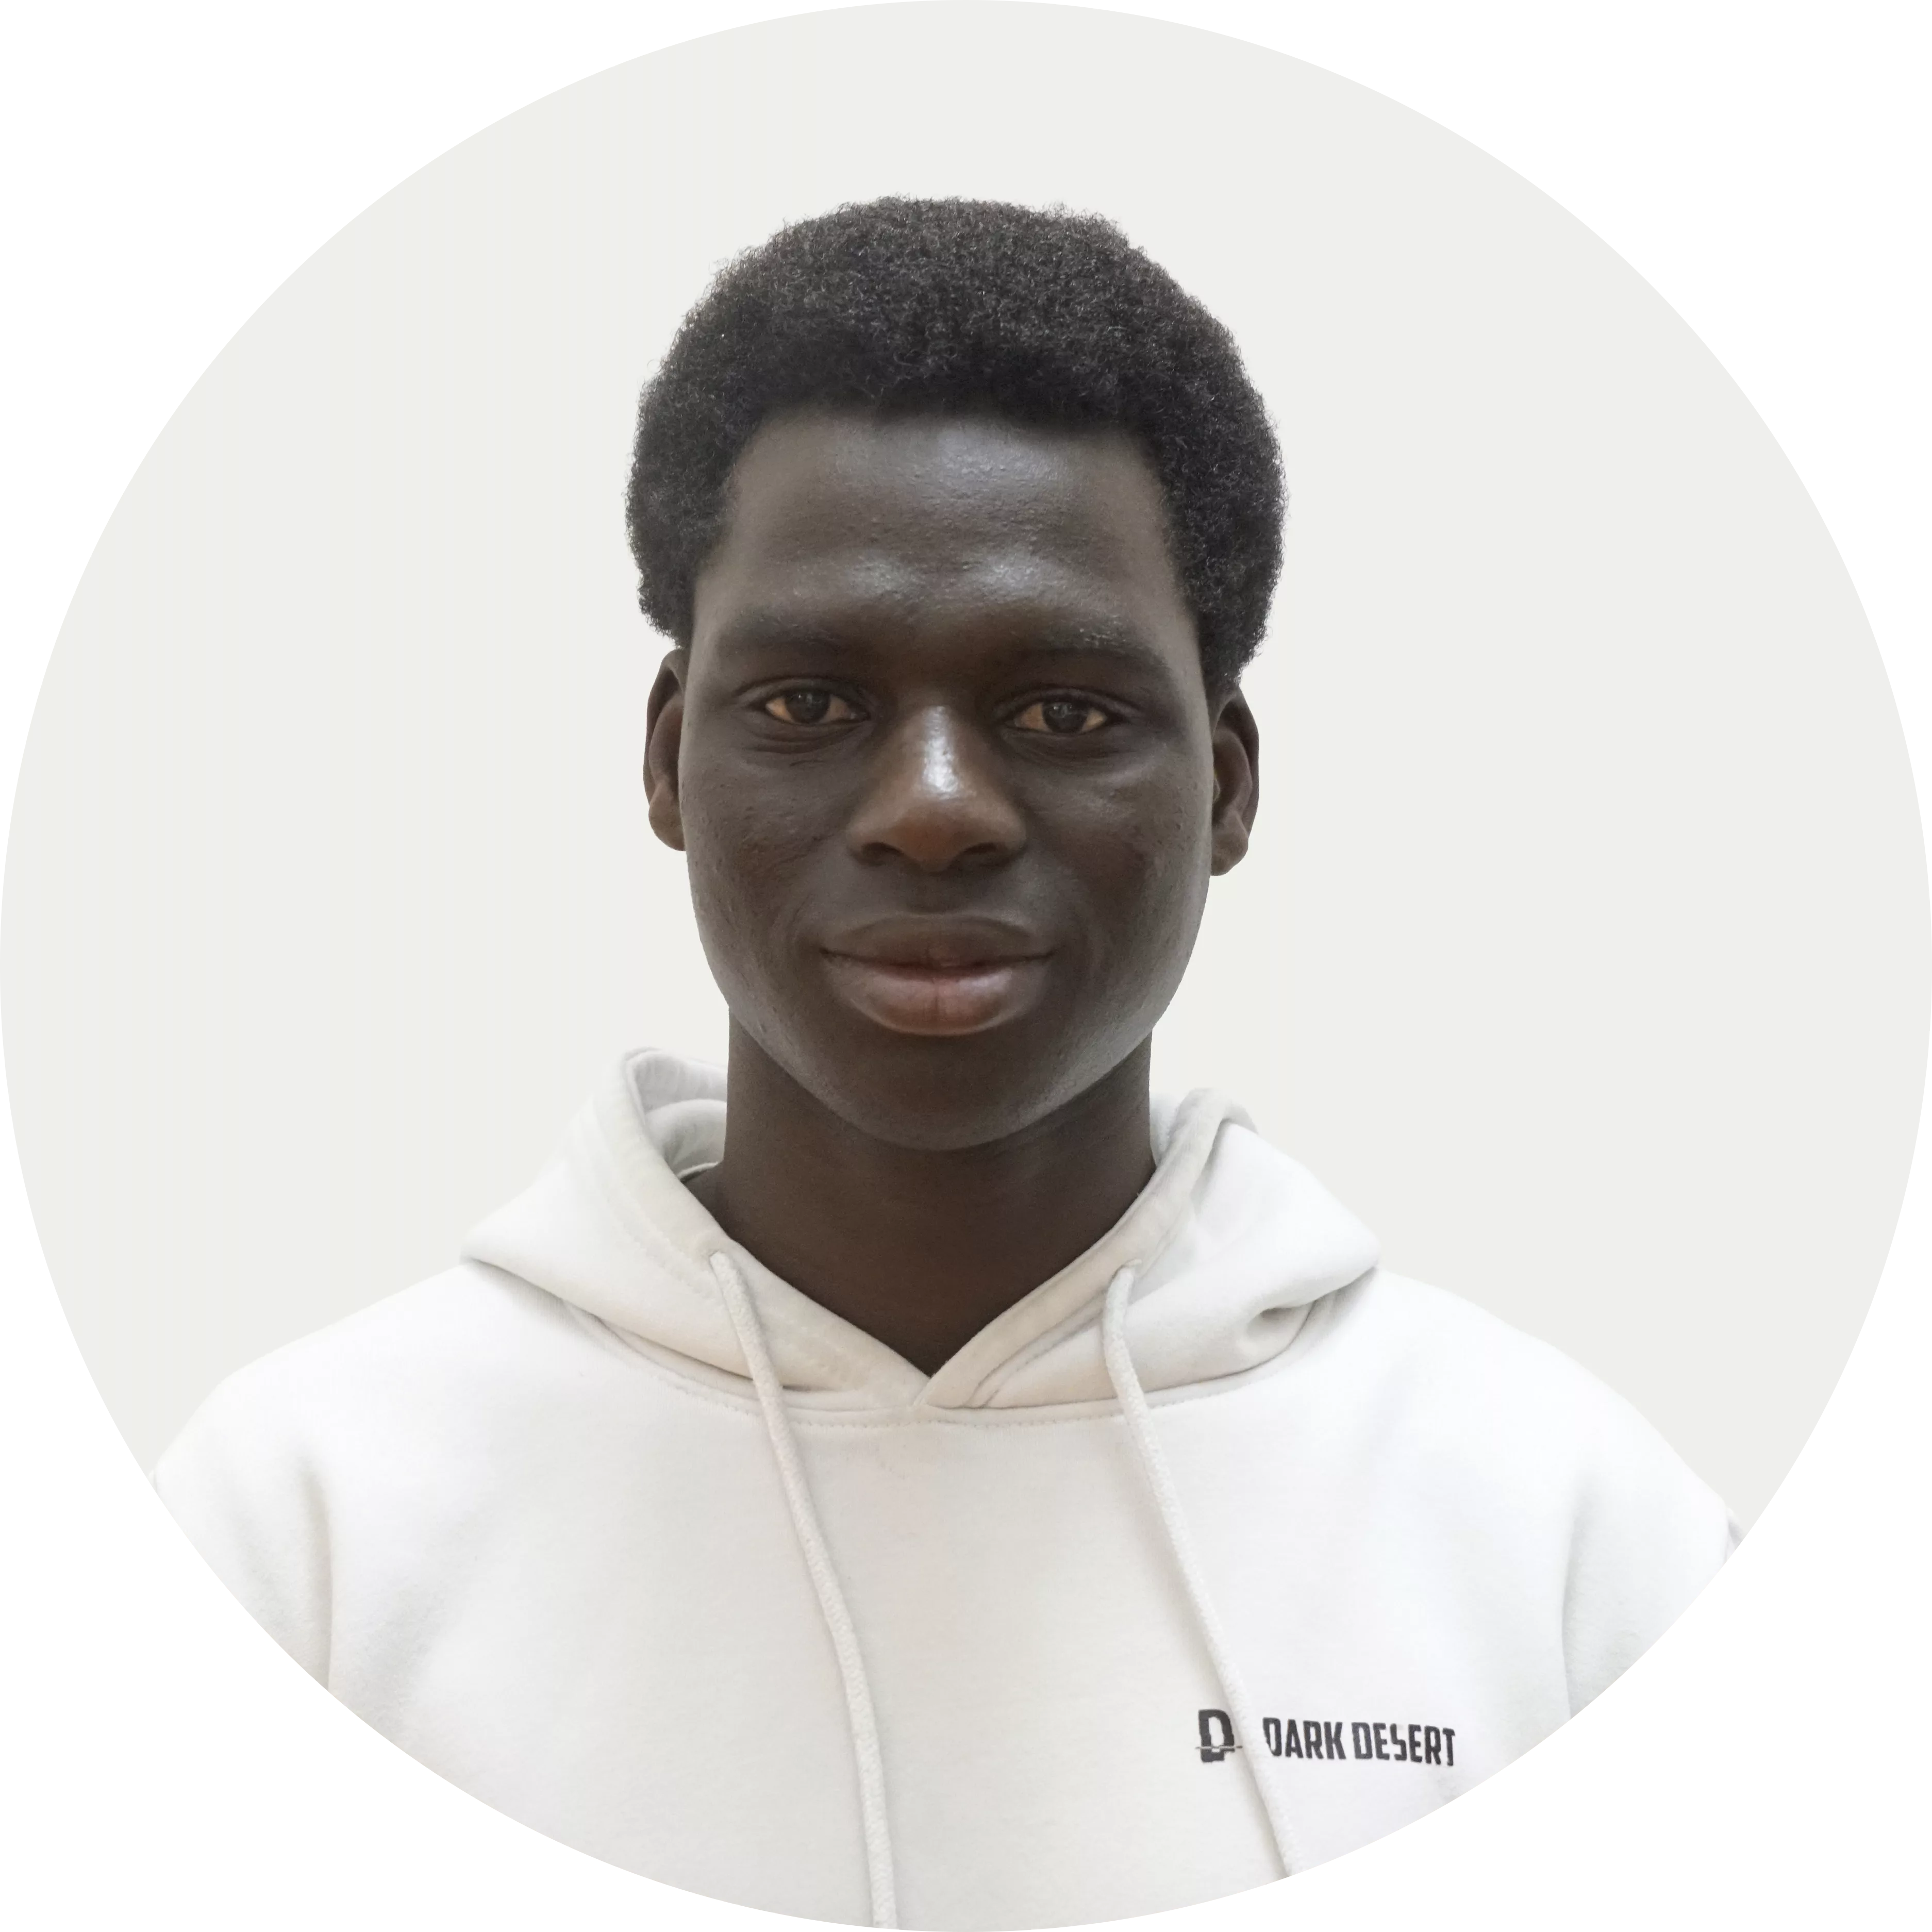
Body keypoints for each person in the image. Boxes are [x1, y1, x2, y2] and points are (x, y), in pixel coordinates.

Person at [155, 198, 1738, 1932]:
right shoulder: (304, 1519)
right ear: (670, 758)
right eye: (808, 704)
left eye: (1062, 712)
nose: (932, 810)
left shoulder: (1563, 1530)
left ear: (1224, 784)